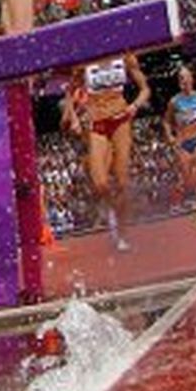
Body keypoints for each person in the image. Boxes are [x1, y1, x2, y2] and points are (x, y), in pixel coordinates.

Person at [63, 53, 149, 250]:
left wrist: (135, 105)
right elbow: (69, 92)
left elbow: (145, 89)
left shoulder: (126, 57)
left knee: (121, 181)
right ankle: (117, 210)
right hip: (97, 122)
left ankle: (123, 233)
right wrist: (74, 118)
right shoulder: (84, 62)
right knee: (100, 183)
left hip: (120, 119)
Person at [163, 63, 196, 227]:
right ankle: (182, 196)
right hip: (183, 143)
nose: (183, 80)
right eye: (180, 78)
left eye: (185, 77)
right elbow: (166, 121)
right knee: (187, 178)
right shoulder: (174, 102)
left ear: (192, 79)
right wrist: (169, 135)